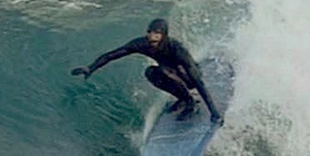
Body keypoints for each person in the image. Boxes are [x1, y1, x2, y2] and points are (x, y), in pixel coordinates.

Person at [71, 18, 222, 123]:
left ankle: (191, 102)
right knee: (151, 73)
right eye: (150, 33)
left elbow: (197, 81)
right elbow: (113, 55)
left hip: (189, 76)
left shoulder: (176, 49)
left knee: (166, 70)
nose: (152, 37)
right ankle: (184, 98)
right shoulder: (142, 44)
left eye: (157, 34)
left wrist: (213, 111)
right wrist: (91, 67)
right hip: (170, 74)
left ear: (164, 35)